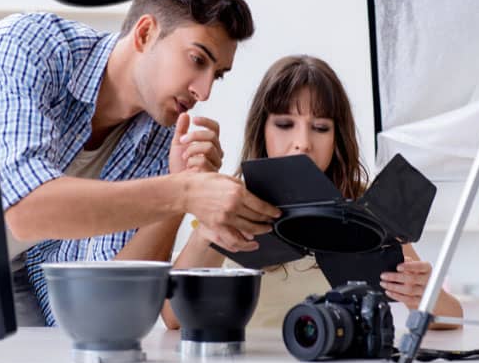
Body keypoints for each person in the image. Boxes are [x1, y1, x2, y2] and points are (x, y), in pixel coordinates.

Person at [0, 0, 280, 326]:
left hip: (4, 271)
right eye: (197, 60)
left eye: (218, 76)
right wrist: (184, 192)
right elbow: (26, 210)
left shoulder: (160, 133)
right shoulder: (27, 49)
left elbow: (118, 297)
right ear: (145, 34)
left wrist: (178, 191)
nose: (204, 91)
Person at [160, 55, 463, 329]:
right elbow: (173, 316)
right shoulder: (230, 201)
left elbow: (452, 318)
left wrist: (421, 295)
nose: (302, 142)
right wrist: (206, 232)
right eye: (284, 124)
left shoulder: (366, 207)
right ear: (261, 130)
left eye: (320, 128)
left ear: (337, 138)